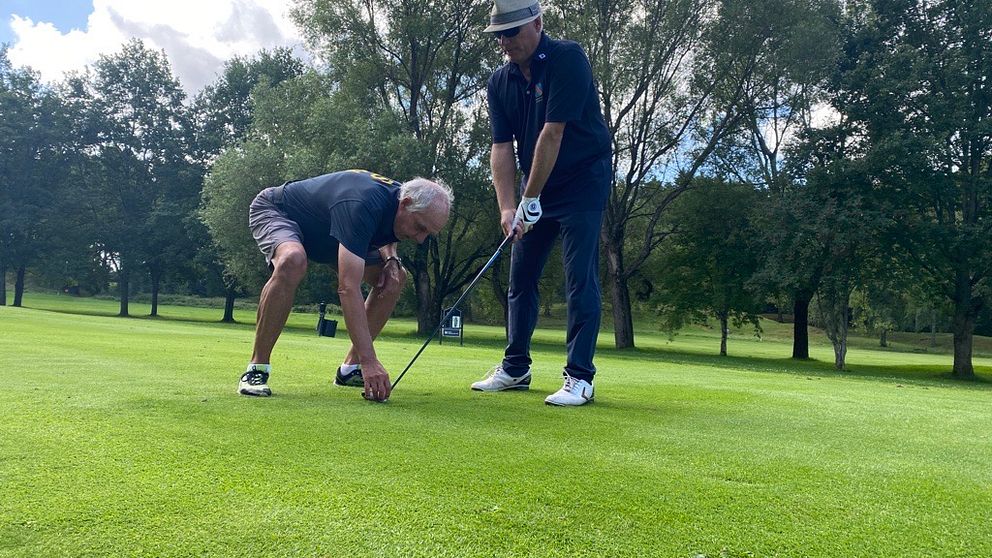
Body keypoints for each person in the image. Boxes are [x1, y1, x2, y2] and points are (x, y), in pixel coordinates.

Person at [471, 0, 612, 406]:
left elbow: (552, 134)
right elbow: (501, 148)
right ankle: (516, 368)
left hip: (582, 180)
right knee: (521, 278)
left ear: (537, 23)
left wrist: (529, 199)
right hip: (538, 186)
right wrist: (507, 207)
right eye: (498, 35)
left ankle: (580, 377)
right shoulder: (499, 82)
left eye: (512, 32)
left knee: (578, 278)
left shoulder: (568, 58)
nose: (504, 42)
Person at [238, 170, 453, 402]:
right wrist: (371, 360)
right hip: (279, 211)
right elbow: (348, 288)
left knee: (394, 278)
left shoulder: (402, 199)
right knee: (292, 260)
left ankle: (351, 369)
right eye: (420, 227)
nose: (420, 239)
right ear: (406, 203)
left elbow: (388, 231)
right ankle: (256, 369)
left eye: (428, 233)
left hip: (331, 235)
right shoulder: (362, 202)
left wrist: (391, 259)